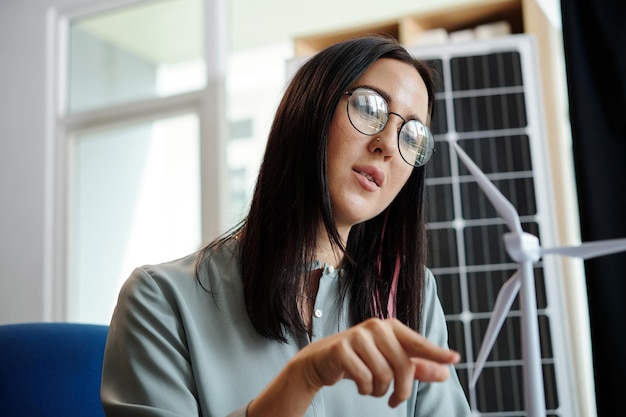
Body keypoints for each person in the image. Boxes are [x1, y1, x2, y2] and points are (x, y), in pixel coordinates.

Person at [100, 35, 472, 417]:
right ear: (309, 112)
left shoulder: (415, 295)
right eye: (369, 107)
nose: (388, 146)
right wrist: (302, 380)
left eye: (412, 135)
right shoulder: (160, 301)